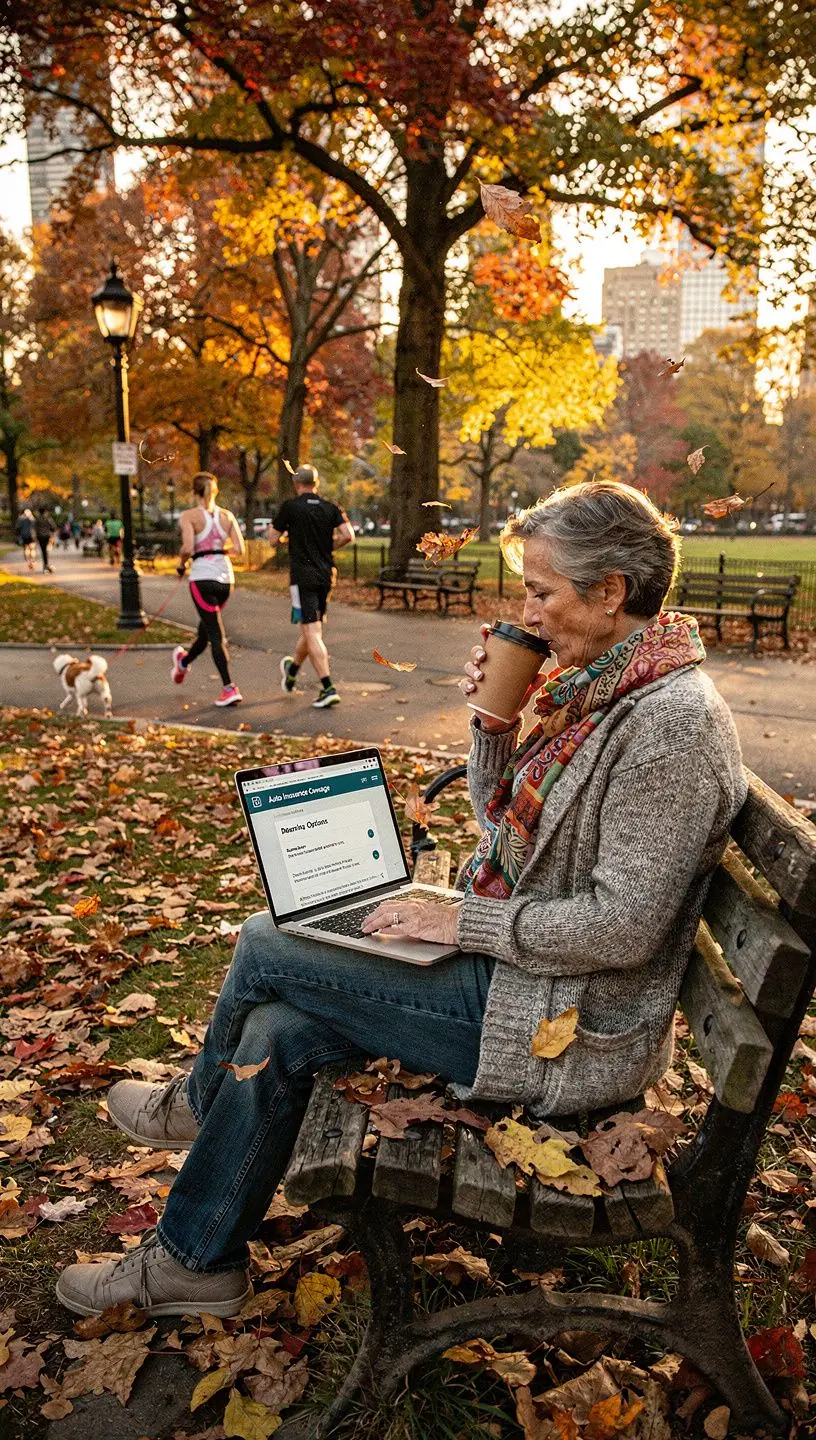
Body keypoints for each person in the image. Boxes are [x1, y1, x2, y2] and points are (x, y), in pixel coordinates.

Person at [55, 479, 747, 1319]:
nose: (526, 613)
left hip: (568, 1026)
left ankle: (193, 1107)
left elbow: (626, 927)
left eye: (542, 592)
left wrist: (462, 920)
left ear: (610, 593)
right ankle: (196, 1262)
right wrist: (493, 728)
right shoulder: (603, 691)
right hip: (527, 979)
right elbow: (503, 828)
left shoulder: (671, 724)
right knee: (278, 1029)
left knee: (268, 941)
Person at [267, 464, 354, 709]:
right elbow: (348, 535)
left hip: (302, 577)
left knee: (313, 632)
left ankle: (328, 688)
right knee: (311, 629)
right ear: (316, 483)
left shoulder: (290, 508)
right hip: (326, 575)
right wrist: (329, 548)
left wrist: (286, 540)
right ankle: (292, 670)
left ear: (297, 484)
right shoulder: (330, 507)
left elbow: (272, 539)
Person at [171, 471, 246, 707]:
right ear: (215, 492)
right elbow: (239, 549)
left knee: (215, 634)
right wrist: (219, 551)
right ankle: (183, 662)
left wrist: (182, 563)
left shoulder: (189, 516)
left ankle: (229, 687)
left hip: (202, 577)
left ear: (194, 493)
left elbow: (188, 546)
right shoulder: (227, 516)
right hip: (225, 580)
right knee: (207, 629)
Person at [34, 506, 55, 573]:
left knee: (43, 550)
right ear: (45, 512)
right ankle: (46, 565)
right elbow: (53, 527)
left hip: (40, 536)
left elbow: (35, 528)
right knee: (45, 550)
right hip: (46, 536)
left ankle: (45, 565)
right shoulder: (48, 519)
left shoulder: (37, 519)